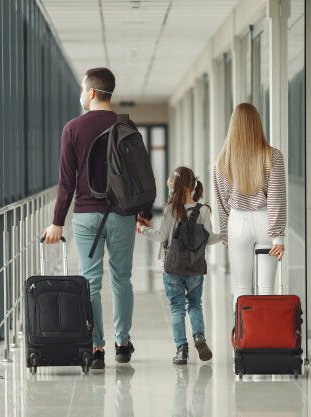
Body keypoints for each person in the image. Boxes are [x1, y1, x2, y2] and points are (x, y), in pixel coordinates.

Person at [43, 67, 151, 370]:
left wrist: (57, 222)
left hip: (86, 215)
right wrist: (143, 211)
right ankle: (122, 343)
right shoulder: (126, 124)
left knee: (90, 282)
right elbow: (139, 173)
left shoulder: (73, 128)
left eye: (82, 88)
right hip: (122, 215)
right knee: (121, 279)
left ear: (90, 92)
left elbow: (66, 182)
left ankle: (96, 347)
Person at [136, 167, 222, 364]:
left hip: (173, 267)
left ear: (174, 187)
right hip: (195, 268)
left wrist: (142, 230)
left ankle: (181, 349)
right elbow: (208, 239)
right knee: (194, 304)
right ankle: (199, 336)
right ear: (192, 186)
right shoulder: (204, 210)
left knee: (177, 307)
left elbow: (160, 236)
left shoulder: (170, 209)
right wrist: (225, 237)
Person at [213, 103, 287, 305]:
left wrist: (226, 233)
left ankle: (243, 335)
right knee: (267, 288)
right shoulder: (273, 156)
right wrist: (278, 236)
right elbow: (276, 198)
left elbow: (222, 202)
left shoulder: (221, 161)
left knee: (241, 289)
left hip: (237, 222)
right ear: (258, 124)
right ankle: (268, 334)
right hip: (266, 221)